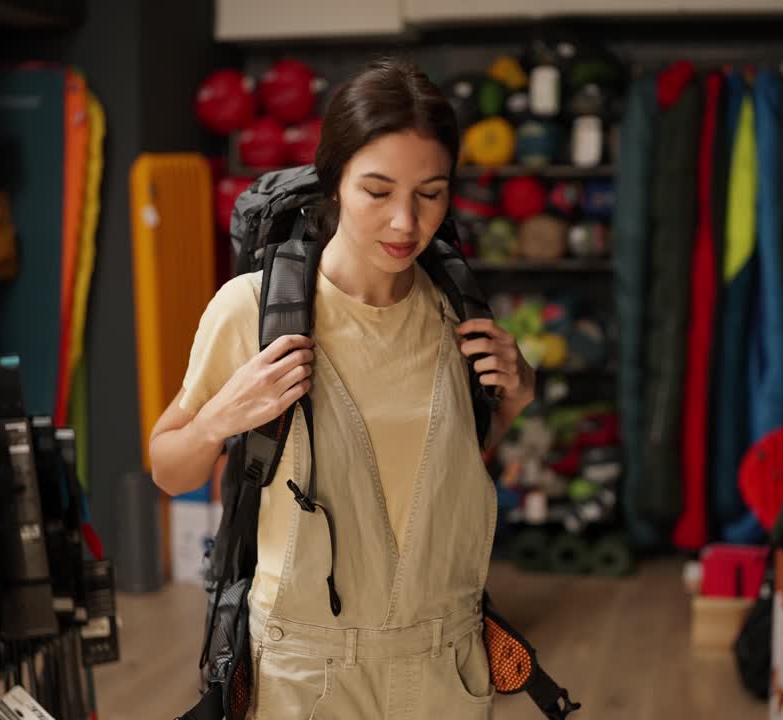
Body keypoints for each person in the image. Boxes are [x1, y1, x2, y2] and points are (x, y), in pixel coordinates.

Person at [149, 57, 536, 718]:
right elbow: (165, 465)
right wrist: (221, 417)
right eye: (377, 191)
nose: (405, 223)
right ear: (334, 182)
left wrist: (514, 401)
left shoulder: (457, 315)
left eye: (430, 192)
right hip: (308, 671)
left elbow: (447, 478)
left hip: (446, 660)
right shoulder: (253, 309)